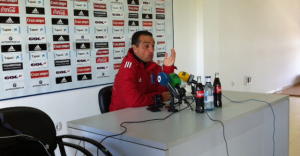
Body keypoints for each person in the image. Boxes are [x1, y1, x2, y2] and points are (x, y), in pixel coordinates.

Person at [110, 31, 176, 111]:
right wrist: (160, 97)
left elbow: (167, 93)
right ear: (135, 48)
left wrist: (167, 68)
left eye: (153, 46)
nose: (151, 50)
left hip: (146, 112)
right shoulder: (127, 69)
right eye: (146, 46)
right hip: (123, 118)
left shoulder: (154, 67)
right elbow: (133, 102)